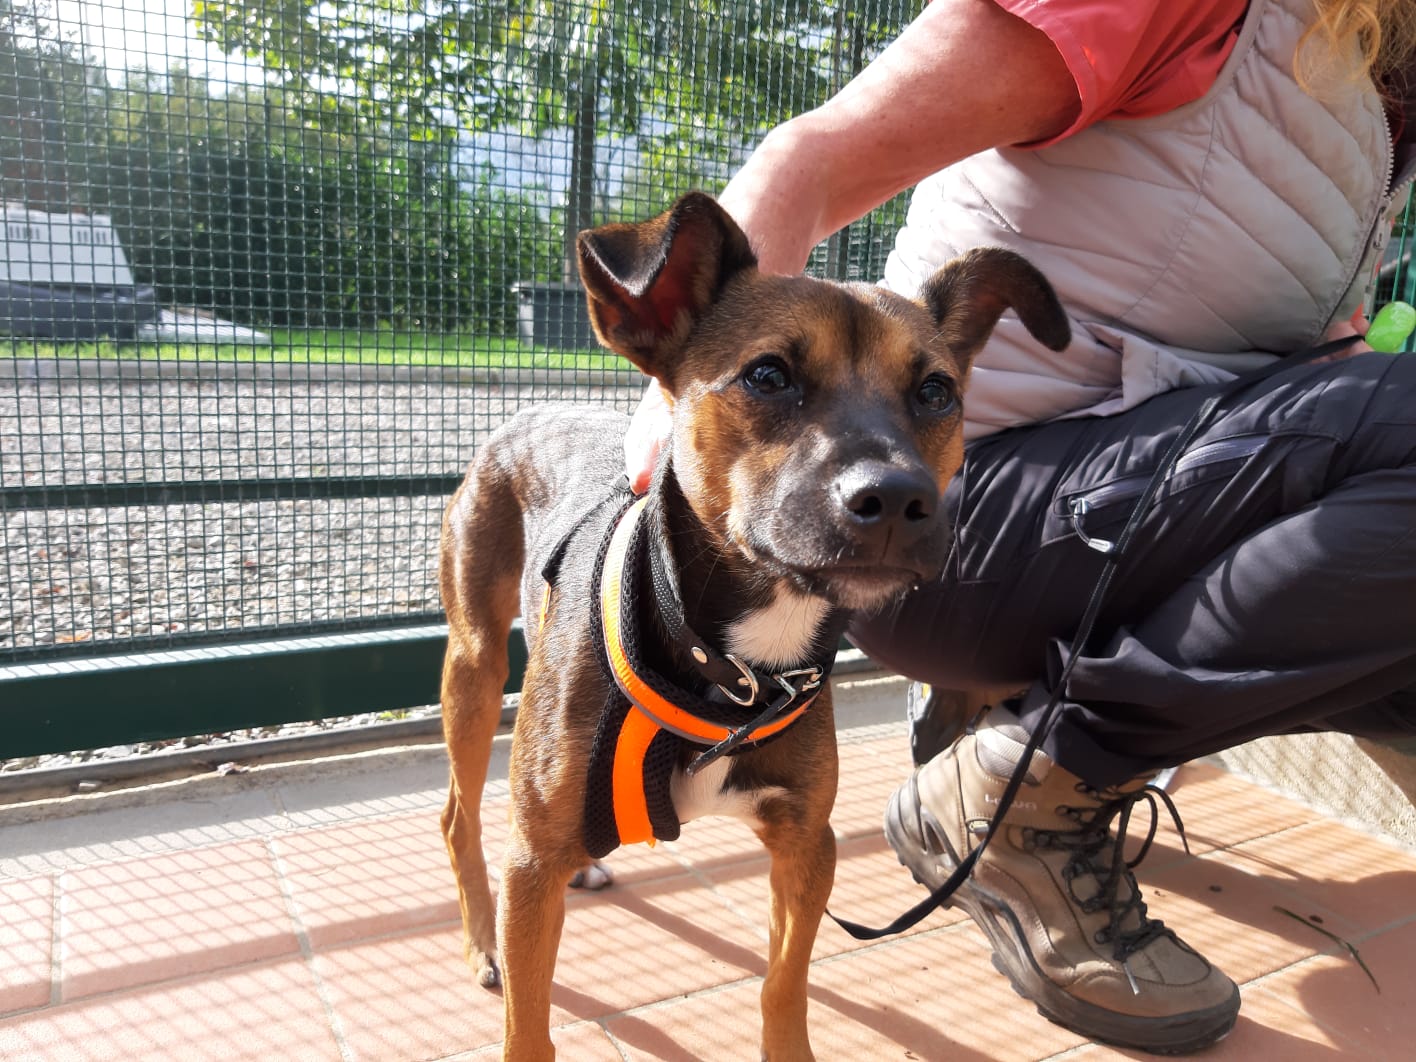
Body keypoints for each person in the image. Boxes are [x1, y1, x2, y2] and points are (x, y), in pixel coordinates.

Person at [624, 0, 1416, 1053]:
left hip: (1127, 492)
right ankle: (1028, 787)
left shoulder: (1371, 78)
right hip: (962, 518)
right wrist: (674, 424)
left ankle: (1020, 732)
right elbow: (810, 158)